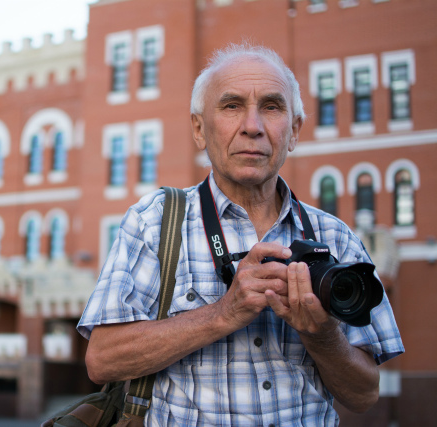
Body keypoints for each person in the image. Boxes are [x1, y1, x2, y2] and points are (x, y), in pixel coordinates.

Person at [77, 43, 404, 426]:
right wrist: (224, 312)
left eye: (272, 106)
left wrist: (322, 336)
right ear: (200, 129)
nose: (253, 126)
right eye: (231, 106)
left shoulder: (336, 236)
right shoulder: (156, 221)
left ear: (294, 131)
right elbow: (102, 360)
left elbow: (364, 394)